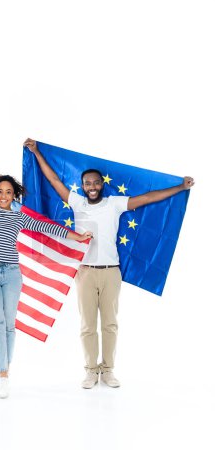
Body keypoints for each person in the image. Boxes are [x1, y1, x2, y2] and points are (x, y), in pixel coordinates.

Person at [23, 138, 195, 389]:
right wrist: (36, 152)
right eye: (87, 183)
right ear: (82, 187)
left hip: (111, 272)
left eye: (95, 182)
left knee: (110, 324)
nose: (91, 186)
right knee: (87, 325)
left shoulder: (114, 203)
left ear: (102, 184)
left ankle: (108, 370)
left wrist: (180, 187)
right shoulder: (77, 202)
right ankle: (91, 371)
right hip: (84, 272)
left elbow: (148, 198)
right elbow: (54, 181)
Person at [0, 148, 92, 398]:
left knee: (9, 325)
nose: (3, 196)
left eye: (8, 192)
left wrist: (77, 236)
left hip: (12, 274)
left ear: (14, 195)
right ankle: (2, 374)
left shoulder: (20, 217)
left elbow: (46, 227)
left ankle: (5, 373)